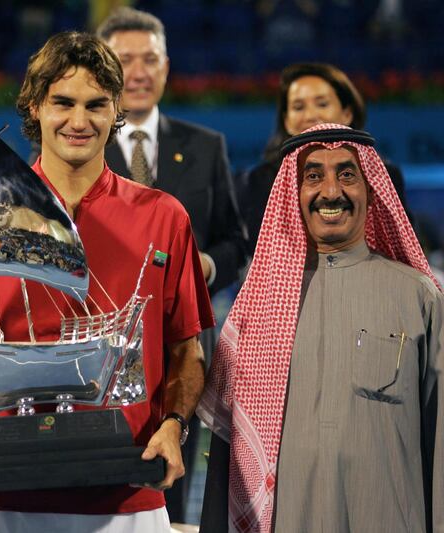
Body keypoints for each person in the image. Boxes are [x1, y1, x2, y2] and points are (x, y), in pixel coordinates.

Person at [0, 31, 215, 532]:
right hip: (6, 499)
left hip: (130, 499)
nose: (80, 121)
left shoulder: (164, 217)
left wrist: (173, 426)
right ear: (35, 106)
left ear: (116, 108)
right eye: (63, 103)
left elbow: (188, 348)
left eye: (96, 105)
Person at [198, 123, 443, 532]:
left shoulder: (418, 297)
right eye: (313, 177)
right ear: (293, 195)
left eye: (347, 174)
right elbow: (229, 458)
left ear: (372, 191)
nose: (331, 192)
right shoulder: (257, 308)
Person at [96, 7, 248, 521]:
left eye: (150, 60)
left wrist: (204, 265)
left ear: (166, 67)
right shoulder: (77, 145)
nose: (138, 72)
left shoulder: (206, 146)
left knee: (175, 472)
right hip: (104, 348)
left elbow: (234, 240)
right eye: (124, 60)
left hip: (186, 344)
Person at [240, 62, 409, 254]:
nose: (311, 115)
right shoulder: (262, 179)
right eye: (298, 106)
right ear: (287, 121)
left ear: (347, 113)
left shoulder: (384, 175)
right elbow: (260, 250)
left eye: (322, 103)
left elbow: (400, 248)